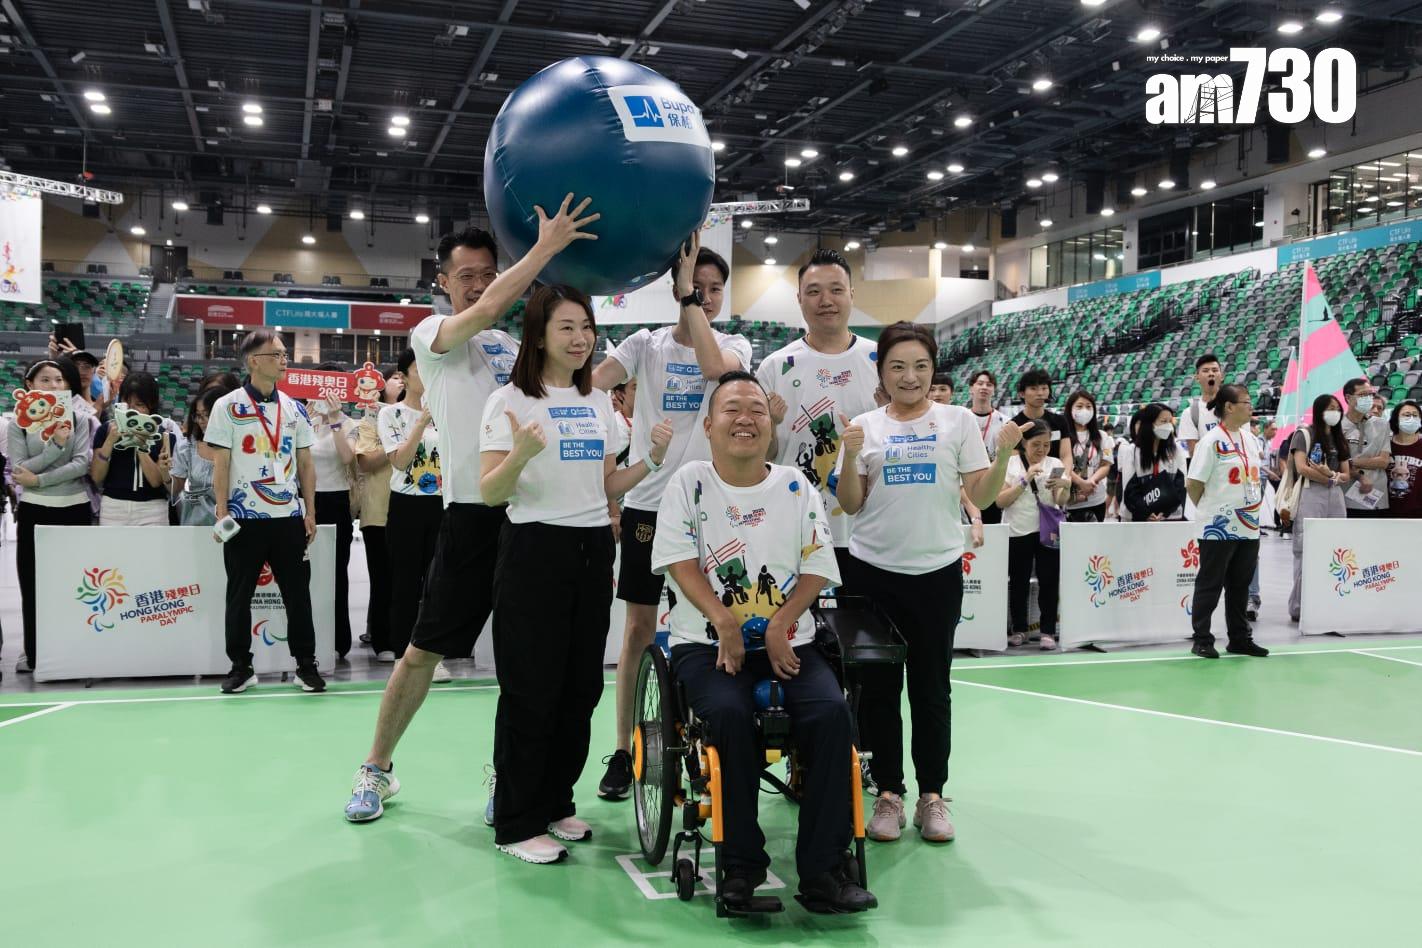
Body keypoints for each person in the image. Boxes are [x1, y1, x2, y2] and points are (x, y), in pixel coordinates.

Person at [343, 201, 593, 826]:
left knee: (526, 665)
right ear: (443, 283)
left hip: (528, 521)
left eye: (489, 272)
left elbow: (579, 376)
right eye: (468, 275)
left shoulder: (515, 348)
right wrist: (544, 249)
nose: (481, 284)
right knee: (423, 651)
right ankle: (376, 768)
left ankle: (511, 782)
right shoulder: (430, 336)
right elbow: (482, 312)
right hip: (470, 519)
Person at [652, 371, 877, 913]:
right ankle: (741, 867)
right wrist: (725, 624)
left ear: (771, 424)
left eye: (756, 408)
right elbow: (681, 562)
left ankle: (824, 871)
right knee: (726, 716)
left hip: (790, 644)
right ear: (709, 426)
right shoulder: (688, 482)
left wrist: (780, 626)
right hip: (704, 646)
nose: (745, 418)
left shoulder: (796, 487)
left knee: (829, 714)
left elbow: (819, 565)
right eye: (731, 409)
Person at [479, 283, 667, 864]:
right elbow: (490, 493)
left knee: (580, 686)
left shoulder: (597, 405)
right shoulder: (509, 400)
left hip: (591, 547)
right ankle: (515, 820)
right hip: (534, 547)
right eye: (567, 327)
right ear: (538, 335)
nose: (581, 338)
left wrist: (650, 463)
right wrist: (519, 456)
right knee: (530, 688)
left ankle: (555, 801)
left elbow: (605, 487)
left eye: (586, 326)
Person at [835, 323, 1020, 845]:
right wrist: (849, 454)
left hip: (936, 574)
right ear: (882, 373)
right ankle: (889, 794)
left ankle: (931, 796)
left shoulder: (957, 421)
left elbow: (980, 498)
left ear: (933, 369)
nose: (909, 376)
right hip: (872, 572)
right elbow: (850, 504)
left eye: (919, 365)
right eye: (897, 366)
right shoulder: (866, 426)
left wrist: (1003, 451)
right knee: (877, 690)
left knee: (932, 689)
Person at [588, 232, 751, 801]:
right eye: (695, 286)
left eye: (714, 290)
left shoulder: (735, 346)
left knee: (710, 628)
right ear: (674, 287)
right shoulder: (643, 345)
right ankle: (625, 748)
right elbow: (590, 379)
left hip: (712, 512)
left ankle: (705, 737)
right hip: (646, 509)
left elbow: (715, 368)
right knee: (636, 632)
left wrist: (687, 301)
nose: (705, 297)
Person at [206, 329, 326, 694]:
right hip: (244, 518)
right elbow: (221, 464)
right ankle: (241, 666)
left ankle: (306, 664)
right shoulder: (226, 406)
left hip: (289, 517)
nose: (284, 359)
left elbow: (305, 463)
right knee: (239, 594)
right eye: (276, 354)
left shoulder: (295, 408)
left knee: (298, 595)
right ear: (254, 361)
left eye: (284, 353)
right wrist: (222, 510)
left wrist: (310, 510)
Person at [756, 249, 881, 586]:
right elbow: (762, 458)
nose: (826, 300)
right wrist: (772, 428)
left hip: (868, 533)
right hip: (796, 529)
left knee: (866, 633)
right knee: (798, 635)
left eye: (836, 289)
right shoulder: (774, 367)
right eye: (814, 291)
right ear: (799, 299)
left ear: (851, 294)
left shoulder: (881, 361)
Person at [9, 358, 93, 673]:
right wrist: (56, 447)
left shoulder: (79, 419)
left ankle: (74, 652)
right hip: (33, 511)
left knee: (74, 585)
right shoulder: (19, 423)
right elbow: (20, 469)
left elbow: (82, 464)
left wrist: (40, 478)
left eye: (59, 380)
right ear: (29, 385)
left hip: (74, 508)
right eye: (45, 380)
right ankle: (35, 653)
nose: (54, 386)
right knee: (32, 584)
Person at [1185, 384, 1268, 658]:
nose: (1250, 406)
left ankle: (1239, 638)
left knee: (1240, 584)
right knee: (1210, 583)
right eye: (1246, 401)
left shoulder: (1250, 439)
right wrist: (1211, 511)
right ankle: (1202, 639)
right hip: (1217, 527)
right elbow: (1194, 483)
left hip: (1249, 525)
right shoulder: (1210, 441)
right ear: (1229, 407)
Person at [380, 347, 445, 661]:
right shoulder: (389, 414)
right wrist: (421, 422)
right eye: (420, 369)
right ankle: (404, 654)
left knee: (439, 583)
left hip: (443, 504)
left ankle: (432, 654)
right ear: (403, 377)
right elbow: (400, 461)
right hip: (406, 505)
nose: (427, 374)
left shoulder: (447, 410)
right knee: (405, 584)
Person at [998, 419, 1070, 650]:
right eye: (1036, 444)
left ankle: (1048, 631)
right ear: (1024, 443)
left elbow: (1059, 501)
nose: (1041, 450)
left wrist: (1065, 486)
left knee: (1049, 581)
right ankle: (1019, 629)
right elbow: (1001, 501)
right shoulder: (1009, 464)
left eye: (1046, 445)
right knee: (1018, 582)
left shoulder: (1056, 463)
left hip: (1048, 532)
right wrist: (1025, 478)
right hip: (1017, 531)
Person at [307, 378, 359, 659]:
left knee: (337, 572)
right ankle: (307, 637)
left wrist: (335, 419)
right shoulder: (304, 422)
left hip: (336, 501)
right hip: (307, 501)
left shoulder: (350, 424)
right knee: (305, 573)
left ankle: (339, 640)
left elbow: (347, 457)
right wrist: (307, 417)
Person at [1287, 393, 1350, 623]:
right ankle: (1299, 606)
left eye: (1337, 408)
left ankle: (1331, 599)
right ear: (1319, 410)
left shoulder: (1338, 438)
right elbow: (1302, 468)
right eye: (1330, 408)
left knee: (1336, 547)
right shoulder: (1304, 434)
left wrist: (1331, 476)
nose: (1335, 412)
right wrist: (1328, 478)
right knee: (1306, 547)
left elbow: (1346, 473)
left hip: (1335, 494)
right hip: (1311, 492)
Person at [352, 368, 401, 658]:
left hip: (415, 509)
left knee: (410, 581)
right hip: (378, 511)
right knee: (383, 580)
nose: (401, 381)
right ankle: (383, 640)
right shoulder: (370, 420)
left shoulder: (424, 417)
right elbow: (366, 462)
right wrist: (399, 445)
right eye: (395, 377)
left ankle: (408, 639)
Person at [91, 372, 177, 526]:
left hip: (153, 509)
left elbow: (156, 481)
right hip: (113, 507)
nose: (132, 411)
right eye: (127, 403)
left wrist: (139, 444)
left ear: (152, 405)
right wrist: (110, 440)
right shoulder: (105, 430)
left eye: (139, 405)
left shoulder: (165, 436)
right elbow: (96, 477)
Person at [1117, 403, 1188, 521]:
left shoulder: (1177, 450)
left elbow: (1180, 485)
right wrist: (1146, 512)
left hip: (1169, 518)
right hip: (1137, 518)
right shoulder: (1132, 451)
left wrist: (1164, 512)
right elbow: (1130, 489)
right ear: (1149, 424)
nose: (1168, 426)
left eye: (1170, 421)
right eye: (1163, 421)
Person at [171, 386, 229, 526]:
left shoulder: (241, 448)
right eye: (198, 415)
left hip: (234, 518)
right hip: (198, 521)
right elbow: (174, 489)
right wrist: (165, 474)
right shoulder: (186, 447)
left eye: (207, 414)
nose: (201, 420)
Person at [1339, 378, 1391, 518]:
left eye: (1370, 394)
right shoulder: (1337, 427)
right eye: (1363, 395)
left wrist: (1350, 461)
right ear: (1348, 398)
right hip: (1345, 495)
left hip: (1376, 494)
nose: (1368, 398)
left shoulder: (1381, 425)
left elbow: (1383, 461)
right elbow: (1336, 462)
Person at [966, 369, 1011, 525]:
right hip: (968, 485)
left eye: (989, 384)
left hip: (994, 484)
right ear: (971, 388)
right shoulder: (962, 419)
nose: (984, 387)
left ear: (994, 390)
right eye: (980, 383)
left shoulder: (1004, 421)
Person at [1062, 390, 1112, 523]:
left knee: (1096, 542)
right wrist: (1081, 483)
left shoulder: (1103, 436)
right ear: (1070, 409)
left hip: (1097, 499)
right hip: (1070, 500)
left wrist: (1091, 482)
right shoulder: (1062, 436)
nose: (1084, 410)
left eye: (1089, 406)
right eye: (1079, 406)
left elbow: (1106, 464)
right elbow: (1061, 464)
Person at [1011, 368, 1072, 470]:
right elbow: (1014, 462)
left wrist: (1058, 479)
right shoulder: (1014, 425)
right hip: (1025, 481)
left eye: (1044, 388)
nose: (1040, 393)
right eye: (1033, 388)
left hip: (1055, 480)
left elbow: (1066, 456)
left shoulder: (1060, 421)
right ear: (1021, 393)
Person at [1177, 353, 1224, 454]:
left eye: (1215, 370)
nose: (1211, 373)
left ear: (1222, 376)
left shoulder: (1236, 406)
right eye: (1205, 371)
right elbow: (1194, 452)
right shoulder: (1190, 413)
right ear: (1197, 377)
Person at [1386, 400, 1422, 517]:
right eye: (1407, 415)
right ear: (1396, 420)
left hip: (1417, 513)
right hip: (1384, 511)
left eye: (1415, 415)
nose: (1411, 418)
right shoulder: (1384, 444)